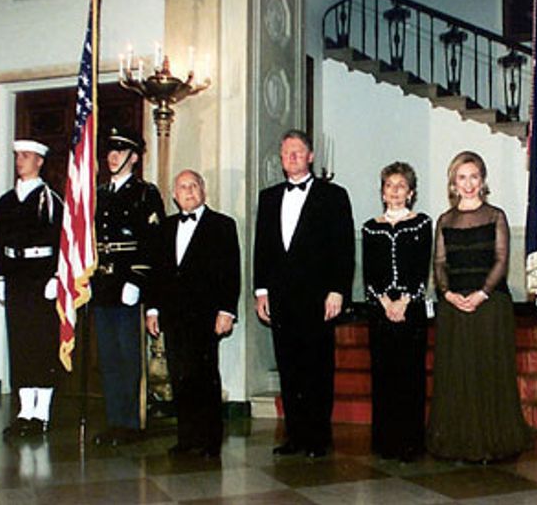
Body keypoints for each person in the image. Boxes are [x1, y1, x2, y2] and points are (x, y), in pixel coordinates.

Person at [254, 130, 355, 459]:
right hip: (281, 298)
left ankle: (317, 438)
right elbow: (263, 249)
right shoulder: (268, 198)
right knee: (289, 367)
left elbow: (343, 249)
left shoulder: (334, 195)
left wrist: (338, 290)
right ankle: (294, 436)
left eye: (298, 152)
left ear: (311, 156)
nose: (292, 158)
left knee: (317, 368)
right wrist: (261, 291)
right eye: (286, 153)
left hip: (318, 298)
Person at [426, 151, 530, 462]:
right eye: (462, 178)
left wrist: (482, 293)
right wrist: (448, 294)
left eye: (474, 177)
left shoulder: (496, 215)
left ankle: (493, 442)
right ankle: (457, 442)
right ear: (453, 183)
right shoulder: (445, 220)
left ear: (482, 180)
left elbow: (501, 260)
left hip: (489, 306)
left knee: (487, 373)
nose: (468, 184)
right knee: (456, 375)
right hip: (454, 307)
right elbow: (440, 264)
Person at [145, 170, 240, 459]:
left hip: (206, 315)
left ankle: (210, 440)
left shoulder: (222, 225)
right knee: (179, 377)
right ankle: (186, 438)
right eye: (182, 187)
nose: (188, 191)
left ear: (203, 191)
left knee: (204, 376)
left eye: (193, 186)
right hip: (173, 315)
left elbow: (230, 272)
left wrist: (227, 311)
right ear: (174, 195)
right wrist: (152, 309)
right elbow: (157, 273)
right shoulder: (166, 227)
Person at [91, 127, 166, 447]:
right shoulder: (99, 193)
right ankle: (114, 420)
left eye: (120, 151)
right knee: (108, 357)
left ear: (134, 157)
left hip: (128, 283)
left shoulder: (145, 193)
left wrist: (137, 279)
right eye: (110, 151)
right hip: (103, 283)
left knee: (128, 355)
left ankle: (133, 423)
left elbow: (154, 242)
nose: (112, 156)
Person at [361, 162, 432, 462]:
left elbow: (421, 268)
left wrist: (404, 301)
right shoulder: (370, 227)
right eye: (390, 186)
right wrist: (384, 302)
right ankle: (385, 442)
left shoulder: (421, 223)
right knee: (384, 376)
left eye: (401, 186)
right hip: (380, 311)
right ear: (382, 192)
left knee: (410, 376)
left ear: (411, 192)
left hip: (410, 310)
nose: (395, 191)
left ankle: (410, 443)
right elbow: (369, 273)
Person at [0, 139, 63, 438]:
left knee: (41, 343)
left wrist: (56, 277)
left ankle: (42, 412)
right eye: (17, 156)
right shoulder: (7, 201)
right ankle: (24, 411)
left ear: (39, 161)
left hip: (41, 278)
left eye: (25, 156)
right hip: (16, 278)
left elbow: (61, 241)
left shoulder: (50, 200)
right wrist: (1, 277)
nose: (19, 161)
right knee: (19, 342)